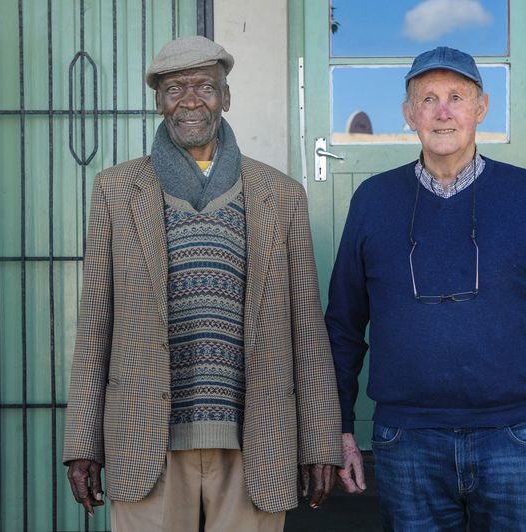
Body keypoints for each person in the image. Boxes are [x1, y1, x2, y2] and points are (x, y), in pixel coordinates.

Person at [63, 35, 341, 531]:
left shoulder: (281, 195)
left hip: (257, 437)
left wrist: (320, 438)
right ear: (158, 101)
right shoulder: (116, 189)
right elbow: (95, 325)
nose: (190, 101)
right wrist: (83, 444)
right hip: (145, 437)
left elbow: (308, 331)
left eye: (204, 87)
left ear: (226, 97)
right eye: (174, 89)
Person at [326, 46, 526, 531]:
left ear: (481, 108)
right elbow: (342, 328)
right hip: (405, 439)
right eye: (428, 99)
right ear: (410, 115)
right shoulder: (372, 201)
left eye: (456, 97)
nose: (443, 111)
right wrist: (341, 429)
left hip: (515, 437)